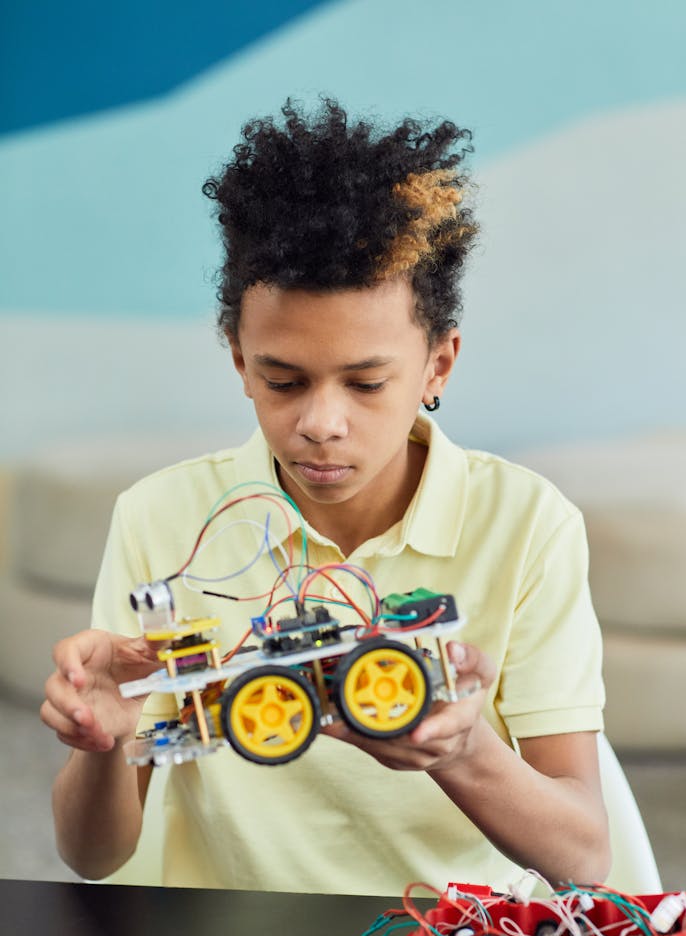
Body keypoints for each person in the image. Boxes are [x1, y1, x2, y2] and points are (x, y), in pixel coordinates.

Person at [42, 98, 611, 894]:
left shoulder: (527, 524)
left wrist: (463, 749)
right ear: (239, 358)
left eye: (367, 382)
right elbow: (89, 855)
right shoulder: (162, 518)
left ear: (438, 365)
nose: (320, 424)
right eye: (283, 380)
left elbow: (585, 855)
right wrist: (105, 740)